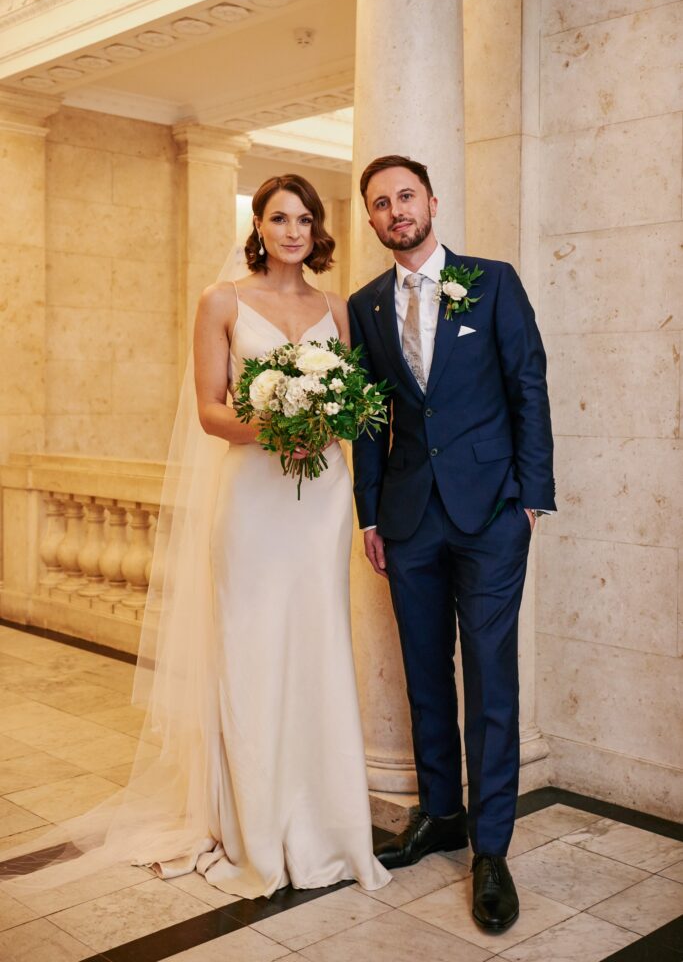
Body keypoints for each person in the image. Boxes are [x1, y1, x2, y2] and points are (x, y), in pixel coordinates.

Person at [1, 174, 388, 901]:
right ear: (260, 226)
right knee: (249, 646)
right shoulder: (222, 302)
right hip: (252, 495)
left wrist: (325, 424)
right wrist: (280, 426)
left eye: (305, 219)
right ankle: (249, 824)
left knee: (316, 643)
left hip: (319, 501)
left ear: (318, 230)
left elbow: (358, 409)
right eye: (280, 217)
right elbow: (212, 412)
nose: (293, 230)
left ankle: (324, 823)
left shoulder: (338, 309)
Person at [349, 154, 555, 931]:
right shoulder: (365, 305)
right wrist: (369, 516)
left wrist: (530, 498)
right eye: (381, 203)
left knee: (489, 678)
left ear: (431, 202)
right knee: (424, 673)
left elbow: (526, 384)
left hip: (492, 514)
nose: (396, 211)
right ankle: (441, 814)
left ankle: (491, 848)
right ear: (370, 220)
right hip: (407, 520)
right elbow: (370, 417)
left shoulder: (492, 280)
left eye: (406, 196)